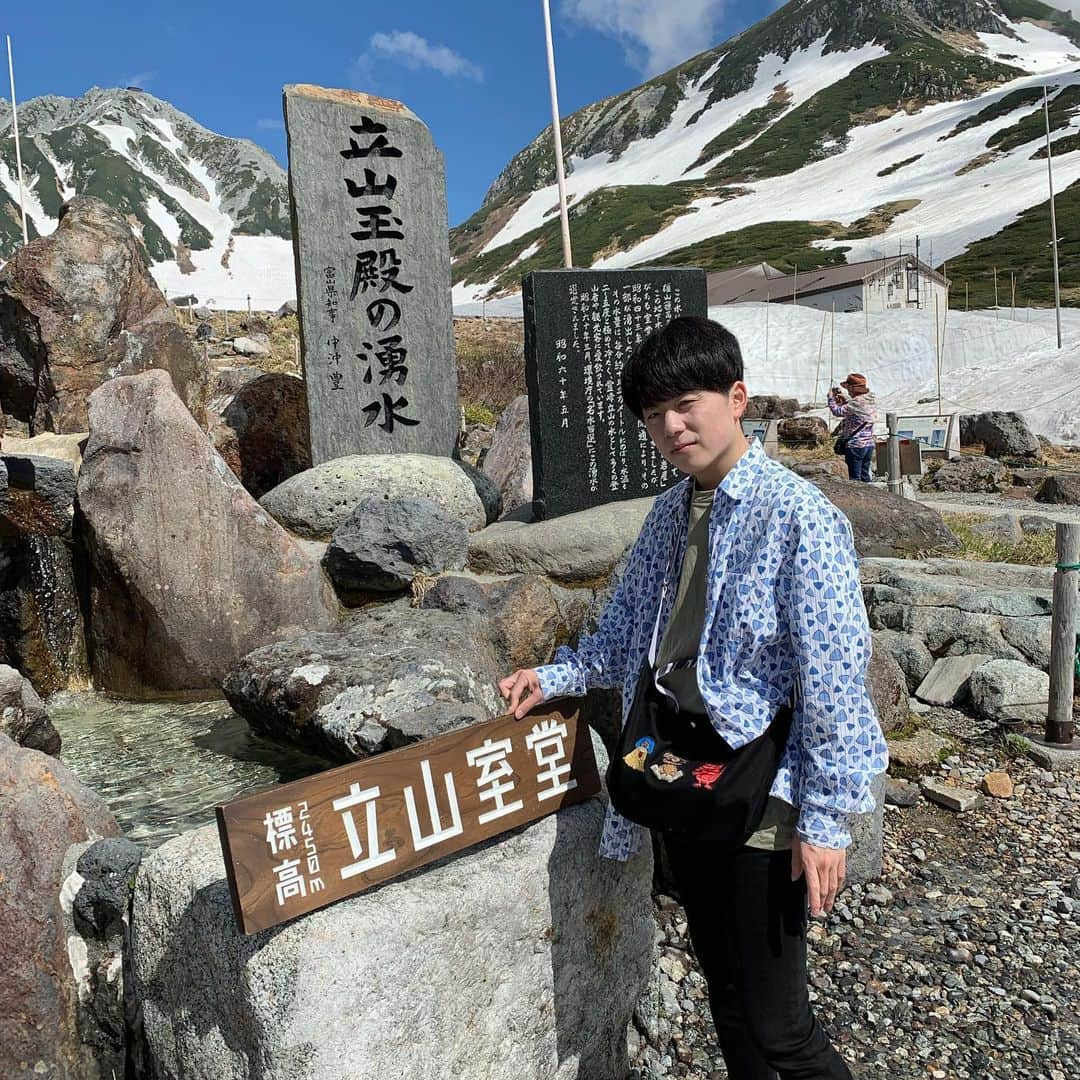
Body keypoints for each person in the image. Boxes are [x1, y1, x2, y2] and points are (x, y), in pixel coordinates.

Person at [499, 316, 887, 1080]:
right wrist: (553, 677)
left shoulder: (799, 517)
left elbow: (835, 678)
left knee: (781, 1026)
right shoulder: (671, 513)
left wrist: (828, 818)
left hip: (763, 786)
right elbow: (622, 636)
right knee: (728, 997)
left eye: (686, 404)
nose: (671, 426)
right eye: (652, 415)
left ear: (735, 398)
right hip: (684, 769)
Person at [828, 373, 878, 482]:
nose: (848, 391)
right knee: (865, 476)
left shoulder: (856, 402)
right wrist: (846, 399)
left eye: (848, 388)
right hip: (868, 444)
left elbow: (837, 411)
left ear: (852, 388)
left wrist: (831, 399)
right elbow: (856, 407)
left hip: (855, 445)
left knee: (855, 479)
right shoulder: (869, 400)